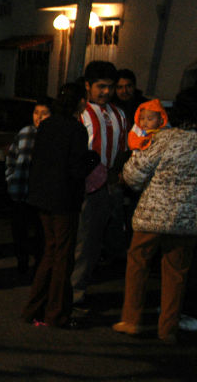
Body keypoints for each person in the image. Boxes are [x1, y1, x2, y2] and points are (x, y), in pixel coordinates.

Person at [113, 87, 197, 344]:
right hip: (187, 220)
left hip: (151, 217)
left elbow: (133, 175)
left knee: (138, 263)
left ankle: (132, 320)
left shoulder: (163, 139)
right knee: (176, 273)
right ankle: (168, 328)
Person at [21, 83, 99, 328]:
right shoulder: (76, 130)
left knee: (50, 251)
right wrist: (92, 160)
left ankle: (35, 308)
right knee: (63, 256)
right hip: (64, 199)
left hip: (42, 197)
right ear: (80, 103)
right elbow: (76, 169)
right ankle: (56, 313)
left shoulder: (47, 126)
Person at [72, 61, 129, 306]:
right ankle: (73, 294)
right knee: (83, 242)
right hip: (85, 188)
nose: (106, 92)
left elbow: (124, 151)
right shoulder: (80, 114)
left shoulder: (119, 114)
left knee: (99, 243)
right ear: (88, 85)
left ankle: (81, 287)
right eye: (101, 86)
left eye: (110, 87)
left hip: (110, 187)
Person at [5, 97, 53, 275]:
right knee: (20, 231)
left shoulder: (52, 136)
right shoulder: (25, 132)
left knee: (41, 232)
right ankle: (22, 262)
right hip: (20, 191)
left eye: (44, 114)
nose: (39, 117)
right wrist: (11, 179)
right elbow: (11, 156)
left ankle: (40, 263)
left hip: (41, 195)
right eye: (36, 113)